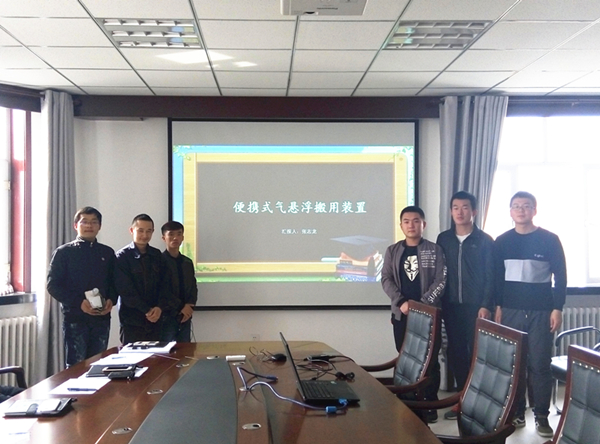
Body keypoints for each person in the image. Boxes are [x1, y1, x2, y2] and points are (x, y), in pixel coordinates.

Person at [494, 191, 567, 438]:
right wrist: (498, 306)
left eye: (526, 206)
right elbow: (497, 278)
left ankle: (541, 415)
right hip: (510, 310)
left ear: (534, 210)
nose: (521, 210)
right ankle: (516, 412)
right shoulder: (502, 241)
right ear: (510, 211)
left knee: (540, 365)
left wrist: (557, 308)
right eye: (516, 206)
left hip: (541, 311)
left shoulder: (550, 240)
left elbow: (561, 277)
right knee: (514, 364)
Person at [381, 205, 446, 422]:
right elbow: (386, 279)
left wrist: (422, 305)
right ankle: (407, 402)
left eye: (416, 221)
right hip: (401, 314)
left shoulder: (434, 250)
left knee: (430, 361)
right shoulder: (392, 251)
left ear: (423, 224)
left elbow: (441, 280)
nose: (411, 225)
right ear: (401, 225)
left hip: (429, 315)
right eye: (406, 221)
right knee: (405, 358)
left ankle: (430, 404)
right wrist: (401, 302)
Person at [436, 191, 494, 420]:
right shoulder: (443, 239)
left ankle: (479, 403)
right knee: (456, 352)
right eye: (456, 208)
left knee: (477, 354)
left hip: (476, 307)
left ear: (474, 211)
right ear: (451, 212)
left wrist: (486, 304)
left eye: (465, 207)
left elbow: (491, 276)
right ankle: (462, 400)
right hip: (451, 306)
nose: (460, 212)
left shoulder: (485, 241)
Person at [47, 207, 117, 367]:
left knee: (98, 365)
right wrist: (79, 303)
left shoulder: (107, 253)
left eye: (94, 222)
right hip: (75, 318)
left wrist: (111, 300)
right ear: (76, 225)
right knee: (76, 367)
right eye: (84, 221)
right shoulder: (63, 253)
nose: (89, 226)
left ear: (100, 226)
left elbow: (115, 283)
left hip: (101, 319)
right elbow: (53, 285)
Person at [115, 214, 170, 344]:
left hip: (156, 318)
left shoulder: (157, 255)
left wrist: (159, 308)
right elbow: (125, 290)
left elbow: (165, 284)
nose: (145, 235)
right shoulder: (122, 257)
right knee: (132, 356)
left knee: (157, 355)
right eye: (140, 230)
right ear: (131, 230)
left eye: (149, 231)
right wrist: (147, 310)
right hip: (132, 320)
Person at [160, 221, 198, 342]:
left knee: (185, 350)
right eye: (171, 234)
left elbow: (193, 286)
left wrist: (190, 306)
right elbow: (161, 290)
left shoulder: (187, 262)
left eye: (179, 234)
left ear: (182, 237)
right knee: (166, 350)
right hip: (166, 315)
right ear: (163, 238)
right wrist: (181, 307)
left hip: (185, 316)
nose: (175, 238)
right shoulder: (159, 261)